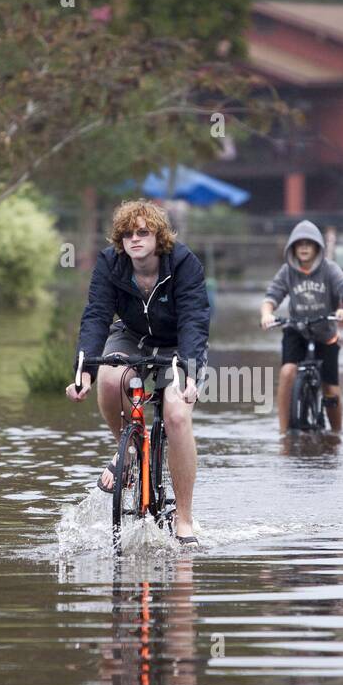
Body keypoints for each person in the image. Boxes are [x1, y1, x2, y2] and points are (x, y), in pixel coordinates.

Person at [66, 199, 209, 545]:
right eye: (127, 233)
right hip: (131, 335)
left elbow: (194, 319)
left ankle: (184, 519)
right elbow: (97, 316)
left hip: (179, 344)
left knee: (176, 415)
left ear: (158, 236)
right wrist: (83, 371)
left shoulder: (184, 263)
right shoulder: (109, 264)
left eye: (143, 232)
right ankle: (127, 450)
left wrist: (189, 372)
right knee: (111, 377)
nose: (134, 239)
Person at [259, 220, 343, 433]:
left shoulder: (330, 269)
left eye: (309, 243)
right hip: (296, 329)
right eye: (299, 243)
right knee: (287, 372)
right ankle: (283, 432)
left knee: (331, 388)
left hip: (325, 332)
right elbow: (272, 296)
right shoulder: (287, 271)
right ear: (293, 248)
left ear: (317, 247)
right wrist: (267, 314)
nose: (304, 247)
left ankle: (336, 435)